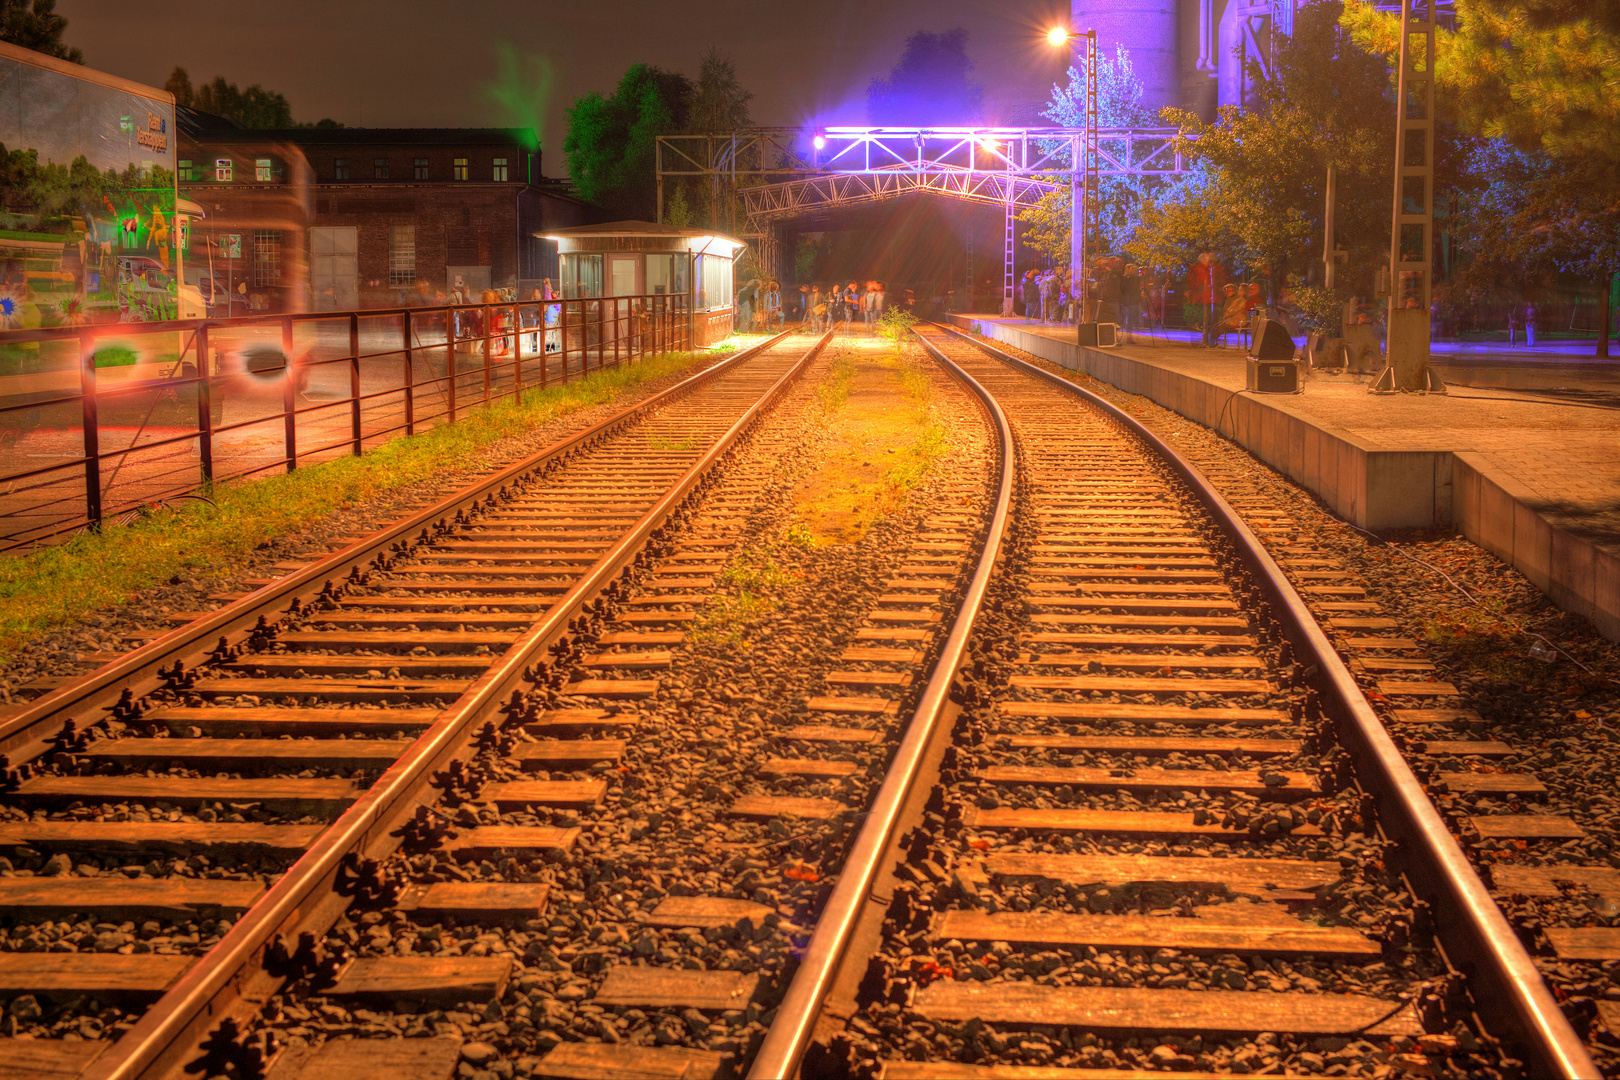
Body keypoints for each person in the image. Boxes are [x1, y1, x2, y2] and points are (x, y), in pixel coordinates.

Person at [1120, 264, 1141, 342]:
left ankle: (1130, 335)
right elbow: (1124, 289)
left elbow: (1137, 289)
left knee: (1131, 319)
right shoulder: (1126, 279)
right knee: (1129, 319)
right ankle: (1128, 336)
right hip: (1129, 300)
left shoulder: (1136, 279)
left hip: (1133, 300)